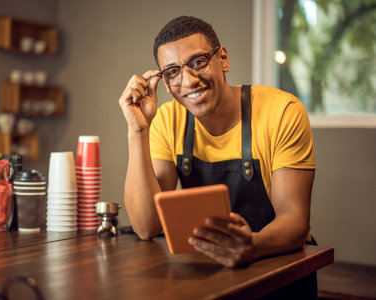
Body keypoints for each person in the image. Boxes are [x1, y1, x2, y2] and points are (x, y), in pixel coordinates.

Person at [118, 15, 316, 296]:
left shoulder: (283, 111)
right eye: (172, 72)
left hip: (281, 272)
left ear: (223, 58)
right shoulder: (167, 119)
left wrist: (252, 245)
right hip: (209, 274)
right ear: (163, 81)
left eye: (198, 62)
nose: (188, 81)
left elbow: (295, 221)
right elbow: (146, 226)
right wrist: (137, 131)